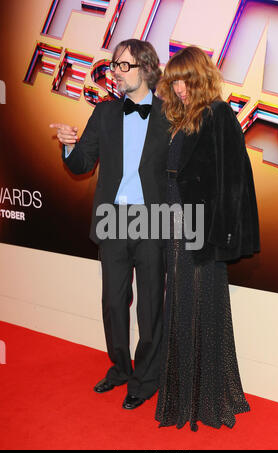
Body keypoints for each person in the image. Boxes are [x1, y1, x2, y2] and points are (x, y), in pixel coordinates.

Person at [50, 39, 170, 410]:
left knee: (150, 306)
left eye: (124, 66)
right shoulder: (103, 114)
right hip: (113, 218)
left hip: (153, 220)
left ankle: (146, 378)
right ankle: (119, 368)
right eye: (114, 65)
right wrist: (69, 146)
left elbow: (185, 173)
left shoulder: (172, 115)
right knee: (113, 303)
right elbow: (83, 163)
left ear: (147, 68)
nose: (116, 72)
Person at [154, 46, 260, 431]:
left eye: (185, 79)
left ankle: (204, 399)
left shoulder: (218, 114)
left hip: (199, 230)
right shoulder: (184, 118)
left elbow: (233, 183)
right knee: (181, 306)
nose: (179, 88)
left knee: (199, 307)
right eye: (174, 81)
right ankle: (185, 396)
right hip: (176, 222)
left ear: (200, 78)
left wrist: (213, 237)